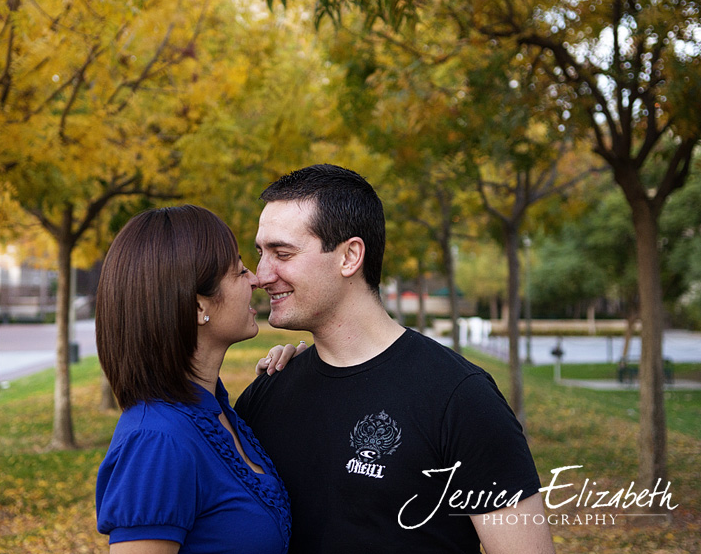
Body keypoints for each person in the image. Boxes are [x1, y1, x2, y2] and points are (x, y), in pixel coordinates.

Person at [235, 164, 555, 554]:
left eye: (281, 253)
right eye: (260, 253)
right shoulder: (267, 392)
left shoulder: (460, 398)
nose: (261, 274)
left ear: (350, 256)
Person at [95, 205, 291, 554]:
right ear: (199, 305)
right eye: (239, 270)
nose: (256, 279)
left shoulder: (216, 413)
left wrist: (305, 374)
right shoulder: (155, 441)